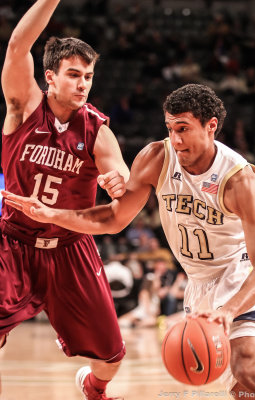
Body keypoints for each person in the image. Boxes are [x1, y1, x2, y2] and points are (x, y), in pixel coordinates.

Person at [3, 83, 255, 398]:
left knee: (249, 371)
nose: (176, 139)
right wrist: (52, 215)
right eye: (170, 128)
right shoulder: (157, 158)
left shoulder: (239, 181)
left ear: (211, 127)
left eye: (183, 129)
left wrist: (229, 310)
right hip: (199, 284)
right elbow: (114, 218)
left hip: (240, 278)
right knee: (246, 392)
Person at [0, 1, 130, 399]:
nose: (83, 84)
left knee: (111, 355)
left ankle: (92, 388)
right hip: (14, 242)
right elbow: (17, 47)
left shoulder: (97, 130)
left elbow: (121, 175)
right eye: (74, 75)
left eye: (88, 76)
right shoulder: (26, 106)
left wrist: (118, 181)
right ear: (50, 77)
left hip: (70, 247)